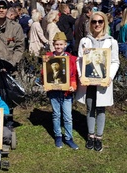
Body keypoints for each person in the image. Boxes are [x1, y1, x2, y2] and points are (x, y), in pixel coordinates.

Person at [76, 11, 120, 152]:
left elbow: (115, 61)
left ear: (104, 23)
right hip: (88, 82)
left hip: (103, 81)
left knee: (101, 109)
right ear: (90, 23)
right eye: (94, 21)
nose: (97, 24)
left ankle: (99, 138)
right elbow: (79, 60)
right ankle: (90, 136)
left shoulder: (111, 42)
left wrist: (110, 77)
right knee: (90, 109)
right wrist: (81, 75)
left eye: (100, 21)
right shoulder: (85, 41)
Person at [43, 32, 79, 150]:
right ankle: (58, 135)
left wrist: (73, 85)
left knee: (68, 117)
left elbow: (73, 74)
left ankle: (69, 137)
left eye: (61, 44)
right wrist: (46, 83)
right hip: (54, 92)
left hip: (66, 92)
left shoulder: (70, 59)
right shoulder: (48, 57)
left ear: (65, 45)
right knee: (56, 115)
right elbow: (44, 73)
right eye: (56, 44)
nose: (58, 47)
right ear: (53, 45)